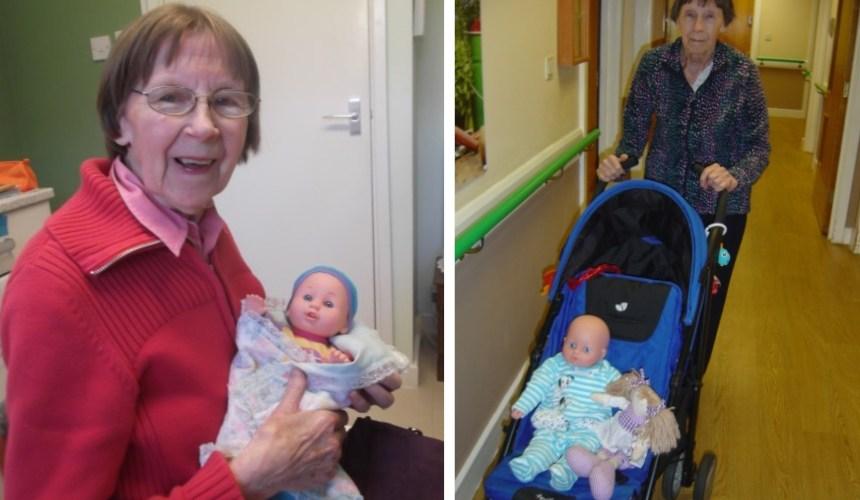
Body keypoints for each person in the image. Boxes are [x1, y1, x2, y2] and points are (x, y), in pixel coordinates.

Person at [0, 5, 398, 499]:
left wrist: (326, 374)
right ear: (119, 120)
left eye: (227, 101)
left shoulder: (200, 226)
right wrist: (247, 480)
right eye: (171, 98)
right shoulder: (55, 288)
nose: (206, 126)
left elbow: (242, 356)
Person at [597, 0, 770, 345]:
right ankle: (657, 372)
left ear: (724, 22)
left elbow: (759, 147)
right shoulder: (654, 64)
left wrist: (734, 174)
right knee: (661, 287)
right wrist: (618, 162)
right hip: (664, 202)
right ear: (677, 18)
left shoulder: (743, 73)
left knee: (708, 296)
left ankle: (691, 384)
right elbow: (633, 137)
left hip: (722, 210)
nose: (698, 28)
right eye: (690, 15)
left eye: (709, 17)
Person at [202, 266, 410, 500]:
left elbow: (337, 385)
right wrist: (253, 317)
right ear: (289, 308)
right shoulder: (277, 334)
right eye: (308, 297)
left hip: (304, 417)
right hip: (262, 401)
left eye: (328, 304)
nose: (315, 305)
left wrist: (338, 365)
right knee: (240, 447)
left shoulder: (330, 350)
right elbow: (252, 344)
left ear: (344, 325)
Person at [509, 315, 620, 491]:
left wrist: (638, 397)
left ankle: (565, 473)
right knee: (543, 443)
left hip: (588, 429)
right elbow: (538, 385)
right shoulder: (554, 365)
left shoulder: (608, 374)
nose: (576, 352)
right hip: (554, 422)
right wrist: (523, 405)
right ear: (565, 340)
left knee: (580, 454)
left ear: (601, 354)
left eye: (586, 349)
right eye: (572, 345)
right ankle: (530, 464)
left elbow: (625, 392)